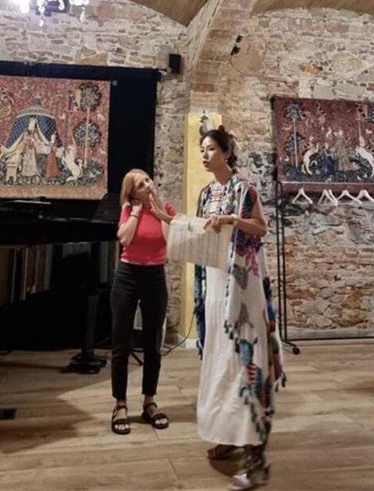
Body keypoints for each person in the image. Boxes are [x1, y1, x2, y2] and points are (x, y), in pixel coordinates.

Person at [195, 127, 281, 491]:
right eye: (202, 149)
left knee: (247, 364)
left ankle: (255, 460)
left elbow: (261, 228)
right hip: (215, 285)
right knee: (221, 361)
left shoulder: (244, 189)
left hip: (243, 288)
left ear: (227, 152)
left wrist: (233, 220)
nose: (204, 155)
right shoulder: (205, 194)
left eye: (211, 149)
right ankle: (228, 435)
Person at [110, 169, 176, 435]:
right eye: (141, 184)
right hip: (128, 274)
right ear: (132, 193)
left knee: (153, 343)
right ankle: (120, 404)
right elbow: (124, 238)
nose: (148, 185)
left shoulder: (166, 208)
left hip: (155, 275)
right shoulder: (128, 209)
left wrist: (159, 211)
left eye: (148, 180)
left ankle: (149, 401)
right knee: (121, 343)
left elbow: (170, 241)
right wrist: (136, 212)